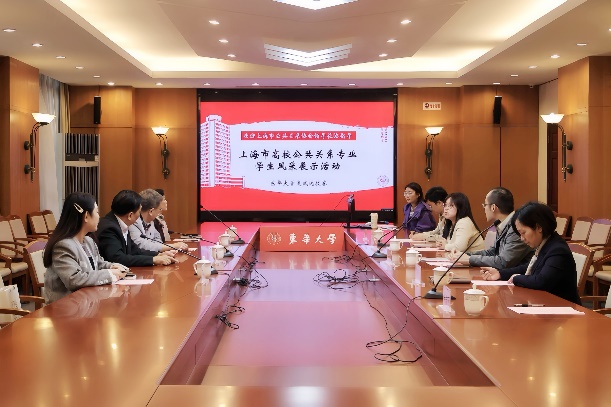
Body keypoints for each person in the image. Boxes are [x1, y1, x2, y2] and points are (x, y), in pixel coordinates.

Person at [480, 202, 581, 304]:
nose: (522, 238)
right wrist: (500, 273)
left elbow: (541, 281)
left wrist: (516, 278)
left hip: (562, 308)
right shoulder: (546, 244)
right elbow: (528, 267)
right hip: (545, 303)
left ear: (539, 227)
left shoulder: (557, 250)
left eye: (523, 233)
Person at [42, 192, 128, 303]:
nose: (99, 216)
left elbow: (97, 263)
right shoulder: (63, 246)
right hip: (65, 307)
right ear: (86, 216)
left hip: (86, 302)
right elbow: (74, 279)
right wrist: (110, 274)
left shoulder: (89, 241)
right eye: (97, 212)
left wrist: (112, 266)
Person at [450, 187, 532, 269]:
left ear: (493, 207)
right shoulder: (502, 223)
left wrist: (470, 259)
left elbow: (504, 262)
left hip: (517, 275)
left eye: (485, 205)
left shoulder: (516, 227)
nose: (484, 208)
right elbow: (493, 252)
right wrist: (464, 255)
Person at [96, 190, 175, 267]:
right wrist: (153, 259)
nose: (140, 216)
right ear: (130, 215)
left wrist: (158, 255)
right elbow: (118, 258)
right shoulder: (109, 228)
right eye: (139, 212)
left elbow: (134, 250)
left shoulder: (121, 223)